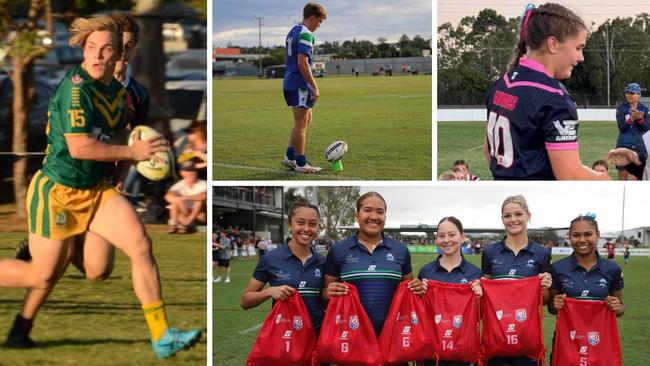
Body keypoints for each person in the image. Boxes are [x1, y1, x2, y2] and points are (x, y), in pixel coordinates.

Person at [0, 16, 200, 358]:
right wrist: (133, 149)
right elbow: (81, 147)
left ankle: (162, 336)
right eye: (96, 48)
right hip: (60, 192)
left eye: (114, 49)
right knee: (41, 276)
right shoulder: (78, 88)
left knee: (123, 255)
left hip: (98, 187)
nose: (106, 55)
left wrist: (147, 148)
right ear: (85, 49)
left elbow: (123, 137)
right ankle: (24, 319)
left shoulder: (122, 90)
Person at [484, 3, 609, 180]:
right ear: (553, 44)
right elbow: (570, 176)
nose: (581, 57)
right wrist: (604, 179)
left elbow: (489, 153)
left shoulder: (500, 84)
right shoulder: (554, 99)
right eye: (578, 48)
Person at [323, 192, 426, 339]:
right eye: (367, 210)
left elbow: (409, 292)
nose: (374, 216)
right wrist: (329, 292)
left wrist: (417, 288)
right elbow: (325, 295)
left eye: (380, 212)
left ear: (385, 216)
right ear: (357, 216)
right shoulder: (338, 250)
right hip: (352, 338)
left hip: (393, 338)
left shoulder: (400, 250)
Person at [481, 195, 552, 366]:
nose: (513, 220)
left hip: (527, 336)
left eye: (518, 214)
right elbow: (485, 295)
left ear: (528, 215)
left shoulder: (542, 253)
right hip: (496, 336)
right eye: (507, 216)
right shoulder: (490, 252)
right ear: (502, 219)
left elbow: (545, 300)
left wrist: (545, 286)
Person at [241, 199, 326, 335]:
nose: (306, 229)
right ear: (290, 224)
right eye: (300, 222)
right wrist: (269, 292)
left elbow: (326, 300)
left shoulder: (324, 261)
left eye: (312, 224)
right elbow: (246, 301)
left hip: (318, 338)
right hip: (285, 339)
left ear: (318, 227)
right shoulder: (271, 258)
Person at [548, 215, 624, 362]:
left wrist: (617, 306)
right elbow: (552, 308)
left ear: (598, 235)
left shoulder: (612, 269)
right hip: (567, 341)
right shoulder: (557, 268)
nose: (582, 240)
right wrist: (555, 304)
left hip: (600, 341)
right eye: (576, 235)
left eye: (588, 234)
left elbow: (620, 307)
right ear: (570, 237)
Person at [418, 216, 483, 366]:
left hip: (463, 353)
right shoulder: (426, 272)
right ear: (436, 239)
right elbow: (419, 314)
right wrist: (420, 294)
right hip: (432, 354)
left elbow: (479, 317)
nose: (446, 240)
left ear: (462, 236)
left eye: (452, 234)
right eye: (441, 236)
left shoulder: (475, 274)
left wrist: (479, 297)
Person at [281, 2, 327, 173]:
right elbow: (303, 62)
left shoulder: (293, 30)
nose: (319, 25)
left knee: (306, 119)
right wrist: (314, 86)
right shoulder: (306, 34)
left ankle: (290, 156)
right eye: (319, 21)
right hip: (299, 83)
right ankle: (301, 163)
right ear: (313, 17)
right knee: (301, 123)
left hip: (290, 81)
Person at [615, 82, 649, 180]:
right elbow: (622, 128)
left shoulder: (644, 109)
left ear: (638, 95)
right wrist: (631, 119)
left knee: (639, 180)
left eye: (632, 93)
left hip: (639, 148)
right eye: (627, 93)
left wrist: (640, 120)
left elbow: (647, 129)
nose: (629, 95)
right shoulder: (621, 109)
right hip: (623, 146)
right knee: (622, 182)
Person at [164, 158, 207, 234]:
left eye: (193, 170)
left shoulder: (203, 184)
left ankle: (186, 224)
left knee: (198, 201)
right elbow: (168, 196)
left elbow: (204, 196)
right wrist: (180, 201)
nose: (191, 173)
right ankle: (175, 225)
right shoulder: (179, 185)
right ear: (182, 173)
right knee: (174, 203)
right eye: (188, 171)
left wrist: (186, 198)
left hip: (198, 215)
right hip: (184, 213)